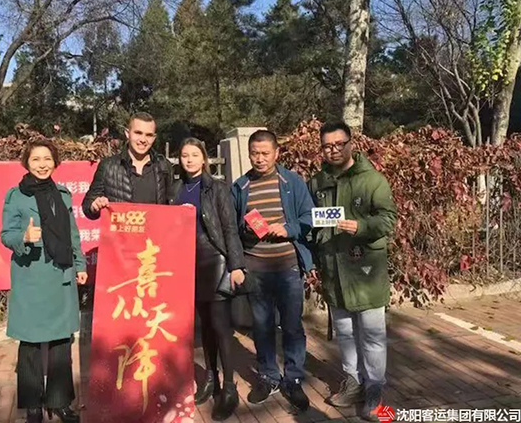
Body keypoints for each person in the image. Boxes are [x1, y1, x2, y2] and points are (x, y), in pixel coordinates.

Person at [308, 122, 397, 422]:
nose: (333, 150)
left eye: (339, 144)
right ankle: (353, 382)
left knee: (372, 335)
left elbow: (388, 219)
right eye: (327, 146)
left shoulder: (372, 180)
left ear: (351, 143)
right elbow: (311, 222)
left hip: (366, 270)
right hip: (334, 270)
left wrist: (361, 226)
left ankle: (374, 389)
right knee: (345, 333)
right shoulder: (316, 183)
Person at [1, 140, 88, 423]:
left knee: (62, 340)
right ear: (26, 163)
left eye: (47, 159)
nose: (42, 164)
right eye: (36, 159)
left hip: (60, 274)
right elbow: (6, 234)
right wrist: (23, 237)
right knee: (30, 343)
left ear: (55, 162)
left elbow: (73, 234)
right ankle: (33, 406)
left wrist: (79, 264)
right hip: (31, 276)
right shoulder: (16, 196)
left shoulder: (62, 194)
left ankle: (60, 402)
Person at [231, 130, 314, 412]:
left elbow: (309, 216)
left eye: (265, 153)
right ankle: (268, 376)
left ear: (277, 153)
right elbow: (232, 227)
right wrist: (245, 228)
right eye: (255, 153)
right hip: (256, 268)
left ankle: (294, 379)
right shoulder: (240, 186)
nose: (260, 159)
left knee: (292, 325)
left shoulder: (292, 181)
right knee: (262, 326)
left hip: (287, 266)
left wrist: (288, 229)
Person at [169, 138, 246, 421]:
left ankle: (229, 387)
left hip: (214, 260)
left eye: (194, 155)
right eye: (184, 155)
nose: (189, 160)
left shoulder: (217, 188)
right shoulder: (175, 189)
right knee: (205, 328)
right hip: (186, 264)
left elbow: (229, 228)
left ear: (204, 158)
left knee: (221, 326)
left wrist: (236, 265)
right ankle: (211, 379)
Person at [82, 112, 173, 219]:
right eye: (138, 133)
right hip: (121, 229)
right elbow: (87, 204)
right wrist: (94, 206)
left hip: (155, 229)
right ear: (127, 133)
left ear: (154, 138)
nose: (143, 140)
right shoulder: (108, 166)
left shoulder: (164, 166)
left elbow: (173, 205)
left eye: (148, 135)